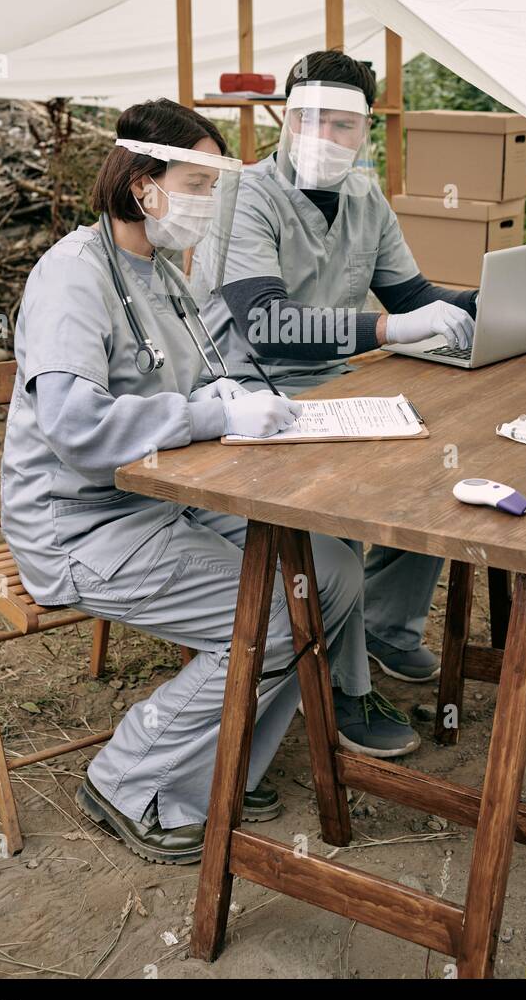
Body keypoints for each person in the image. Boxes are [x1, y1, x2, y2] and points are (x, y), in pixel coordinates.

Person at [0, 98, 367, 865]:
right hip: (80, 524)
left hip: (166, 498)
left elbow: (205, 382)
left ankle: (227, 760)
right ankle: (129, 778)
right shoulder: (73, 275)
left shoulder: (163, 273)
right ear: (143, 183)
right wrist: (205, 415)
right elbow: (75, 425)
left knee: (329, 572)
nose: (208, 201)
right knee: (272, 619)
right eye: (196, 183)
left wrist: (253, 405)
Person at [201, 52, 479, 711]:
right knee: (346, 492)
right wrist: (389, 331)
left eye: (343, 125)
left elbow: (409, 293)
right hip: (247, 389)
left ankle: (384, 627)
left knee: (441, 459)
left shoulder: (363, 195)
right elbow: (267, 326)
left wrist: (485, 301)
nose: (325, 137)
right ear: (287, 119)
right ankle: (344, 689)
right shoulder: (244, 195)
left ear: (365, 133)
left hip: (332, 379)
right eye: (310, 119)